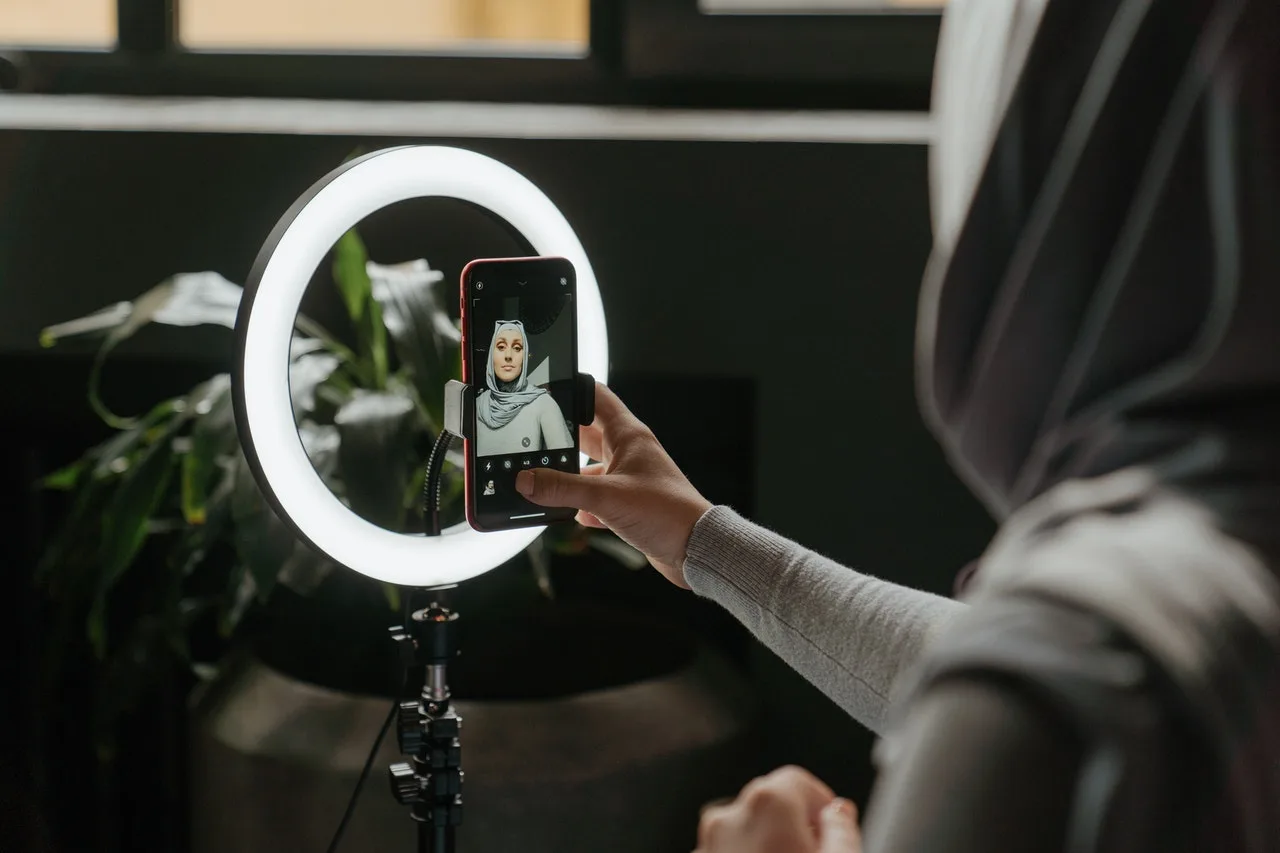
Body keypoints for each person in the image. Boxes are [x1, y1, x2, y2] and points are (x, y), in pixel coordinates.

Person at [513, 0, 1280, 850]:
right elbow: (969, 655)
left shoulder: (1068, 692)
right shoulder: (1206, 560)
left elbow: (1037, 677)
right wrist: (704, 542)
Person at [475, 320, 574, 457]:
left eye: (517, 348)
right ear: (492, 355)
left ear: (524, 356)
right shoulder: (477, 406)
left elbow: (564, 466)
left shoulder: (543, 404)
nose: (508, 356)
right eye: (501, 346)